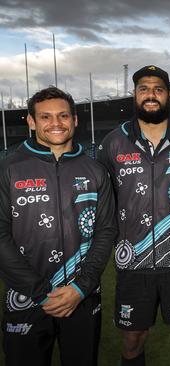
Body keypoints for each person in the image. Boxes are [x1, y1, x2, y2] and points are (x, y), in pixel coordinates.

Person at [98, 65, 170, 366]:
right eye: (144, 89)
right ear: (134, 95)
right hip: (132, 263)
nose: (151, 95)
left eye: (158, 89)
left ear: (169, 95)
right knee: (133, 339)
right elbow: (104, 203)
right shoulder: (112, 142)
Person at [0, 87, 117, 365]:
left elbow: (106, 230)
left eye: (63, 115)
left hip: (82, 295)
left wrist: (81, 287)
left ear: (74, 119)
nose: (55, 123)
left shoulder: (96, 170)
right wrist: (40, 292)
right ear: (31, 121)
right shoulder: (8, 169)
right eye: (45, 117)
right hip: (26, 298)